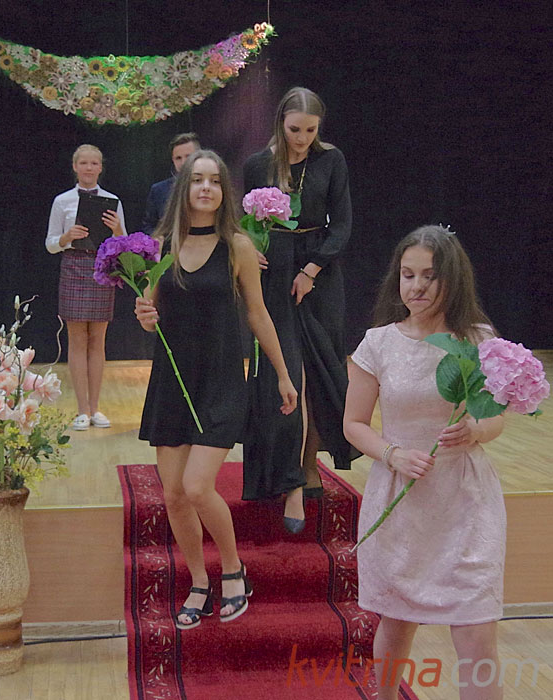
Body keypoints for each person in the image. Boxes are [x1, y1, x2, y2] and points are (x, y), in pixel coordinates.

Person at [135, 150, 297, 628]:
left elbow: (257, 313)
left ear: (224, 192)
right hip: (173, 380)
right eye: (196, 180)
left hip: (222, 380)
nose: (205, 187)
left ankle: (232, 568)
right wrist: (144, 315)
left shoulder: (238, 246)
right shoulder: (161, 245)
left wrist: (283, 374)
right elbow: (148, 313)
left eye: (214, 181)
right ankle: (199, 581)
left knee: (197, 486)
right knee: (174, 495)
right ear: (183, 188)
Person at [343, 225, 506, 699]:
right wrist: (392, 454)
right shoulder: (378, 343)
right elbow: (354, 424)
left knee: (476, 633)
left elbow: (497, 418)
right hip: (402, 499)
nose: (416, 286)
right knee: (397, 623)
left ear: (452, 280)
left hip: (466, 501)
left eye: (429, 276)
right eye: (407, 274)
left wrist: (476, 429)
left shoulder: (478, 339)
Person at [242, 86, 355, 532]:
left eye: (310, 130)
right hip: (275, 274)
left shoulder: (332, 160)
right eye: (295, 130)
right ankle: (288, 479)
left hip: (319, 274)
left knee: (319, 377)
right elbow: (244, 222)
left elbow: (342, 224)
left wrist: (312, 269)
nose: (303, 139)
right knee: (285, 375)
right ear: (280, 123)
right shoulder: (258, 164)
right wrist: (250, 245)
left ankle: (308, 466)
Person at [45, 144, 126, 430]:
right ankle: (81, 409)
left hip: (101, 266)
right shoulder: (62, 201)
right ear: (75, 166)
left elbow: (124, 243)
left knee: (98, 339)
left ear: (101, 168)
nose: (89, 168)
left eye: (94, 163)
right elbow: (50, 244)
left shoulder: (112, 200)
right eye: (84, 163)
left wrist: (117, 230)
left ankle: (95, 408)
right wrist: (67, 236)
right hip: (73, 266)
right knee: (77, 338)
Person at [141, 132, 200, 235]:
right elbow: (148, 226)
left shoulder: (210, 187)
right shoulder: (158, 190)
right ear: (173, 160)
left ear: (199, 157)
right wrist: (158, 238)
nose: (183, 162)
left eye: (188, 156)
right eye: (178, 158)